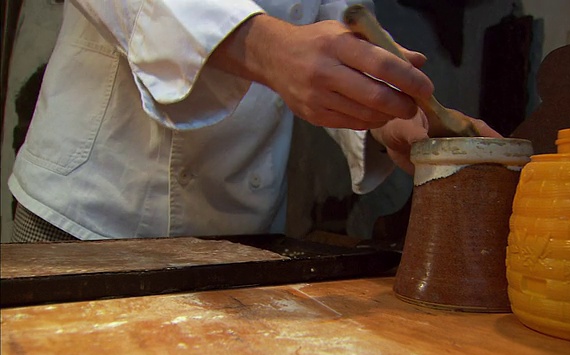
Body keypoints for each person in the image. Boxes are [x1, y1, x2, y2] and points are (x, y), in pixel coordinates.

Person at [8, 0, 499, 242]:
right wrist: (263, 46)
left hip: (244, 225)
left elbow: (337, 24)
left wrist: (392, 118)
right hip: (89, 210)